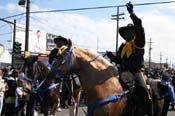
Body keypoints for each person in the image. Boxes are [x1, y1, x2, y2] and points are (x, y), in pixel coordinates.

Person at [106, 2, 153, 115]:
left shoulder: (138, 42)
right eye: (126, 32)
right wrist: (111, 56)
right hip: (123, 72)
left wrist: (131, 13)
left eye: (130, 32)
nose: (127, 34)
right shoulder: (122, 46)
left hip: (136, 72)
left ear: (134, 33)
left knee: (144, 90)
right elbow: (120, 60)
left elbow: (140, 27)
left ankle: (147, 111)